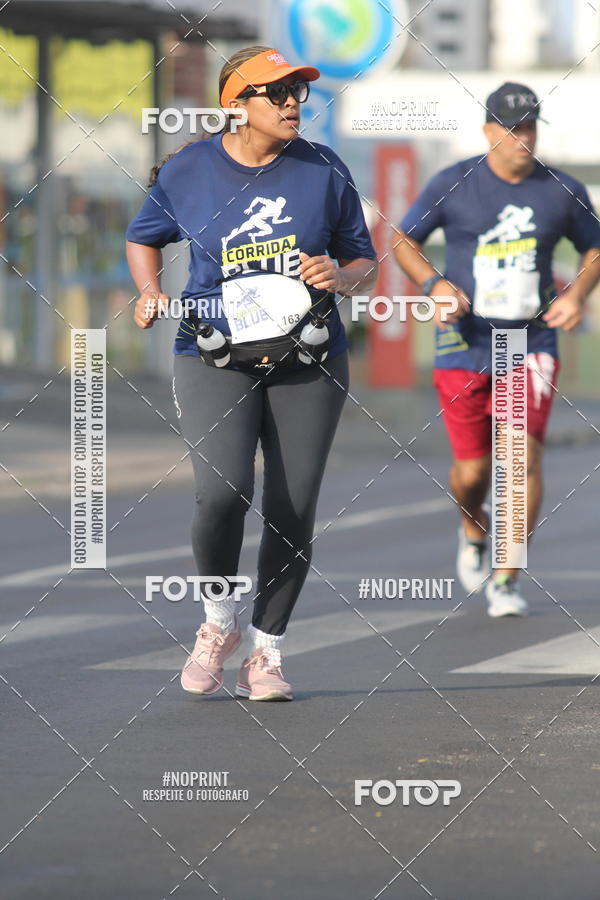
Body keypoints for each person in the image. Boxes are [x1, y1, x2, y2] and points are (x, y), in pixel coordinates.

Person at [125, 46, 378, 699]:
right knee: (221, 493)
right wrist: (149, 290)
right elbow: (143, 235)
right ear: (235, 103)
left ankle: (267, 652)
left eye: (297, 89)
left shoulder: (323, 169)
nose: (293, 101)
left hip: (309, 359)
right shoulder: (189, 169)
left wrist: (340, 276)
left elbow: (363, 260)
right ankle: (216, 624)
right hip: (215, 354)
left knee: (291, 508)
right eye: (276, 91)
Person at [392, 82, 600, 617]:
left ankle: (507, 575)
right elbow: (402, 240)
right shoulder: (454, 182)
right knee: (473, 471)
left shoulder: (561, 189)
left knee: (520, 457)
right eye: (511, 128)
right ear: (488, 131)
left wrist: (578, 295)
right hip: (463, 340)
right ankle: (472, 529)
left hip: (527, 339)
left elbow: (595, 247)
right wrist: (434, 286)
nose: (522, 138)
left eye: (530, 127)